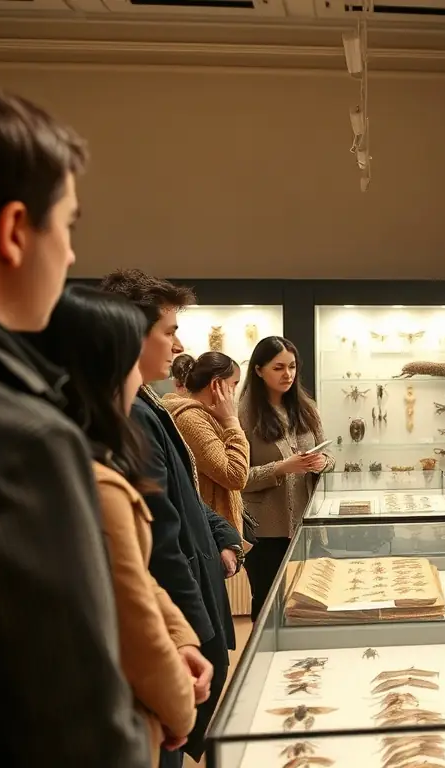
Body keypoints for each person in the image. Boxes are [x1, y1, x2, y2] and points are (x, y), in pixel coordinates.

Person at [0, 77, 150, 766]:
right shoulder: (18, 437)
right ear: (15, 231)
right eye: (70, 226)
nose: (73, 256)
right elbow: (73, 730)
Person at [26, 286, 204, 768]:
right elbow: (131, 606)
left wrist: (183, 638)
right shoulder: (93, 477)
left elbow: (138, 580)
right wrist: (180, 706)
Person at [99, 268, 244, 768]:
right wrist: (196, 632)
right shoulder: (136, 412)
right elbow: (162, 539)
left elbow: (183, 497)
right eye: (168, 331)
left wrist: (222, 533)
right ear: (131, 333)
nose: (179, 344)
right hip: (175, 613)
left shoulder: (146, 402)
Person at [239, 336, 335, 620]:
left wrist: (320, 462)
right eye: (278, 367)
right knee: (270, 604)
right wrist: (282, 467)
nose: (288, 374)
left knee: (310, 602)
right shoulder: (243, 415)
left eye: (292, 367)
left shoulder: (307, 408)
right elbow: (238, 478)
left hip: (309, 523)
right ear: (259, 370)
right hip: (266, 529)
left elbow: (330, 456)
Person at [162, 352, 249, 539]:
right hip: (210, 536)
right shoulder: (190, 419)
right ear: (217, 384)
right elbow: (235, 476)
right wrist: (232, 423)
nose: (234, 392)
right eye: (234, 384)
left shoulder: (207, 416)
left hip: (218, 533)